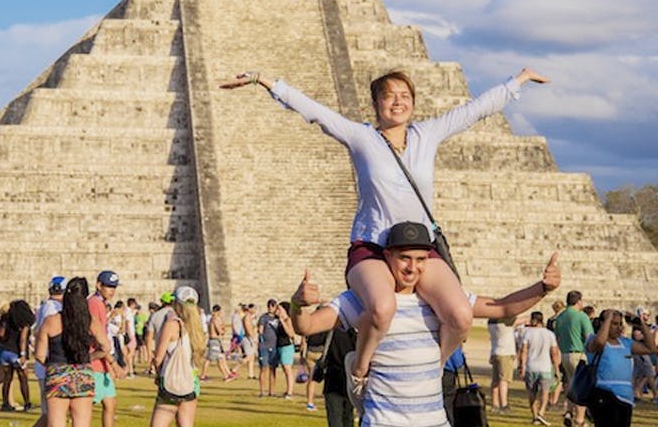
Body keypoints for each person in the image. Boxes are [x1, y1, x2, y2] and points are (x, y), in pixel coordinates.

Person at [222, 67, 550, 397]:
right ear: (376, 103)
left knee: (461, 316)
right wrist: (264, 80)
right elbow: (313, 110)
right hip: (373, 247)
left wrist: (518, 81)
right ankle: (360, 372)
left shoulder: (428, 134)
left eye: (405, 96)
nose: (398, 102)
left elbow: (475, 110)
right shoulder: (361, 137)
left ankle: (431, 369)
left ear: (414, 103)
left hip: (420, 247)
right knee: (381, 308)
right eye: (389, 95)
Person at [290, 221, 561, 425]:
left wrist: (543, 288)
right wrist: (298, 305)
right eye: (404, 258)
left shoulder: (440, 302)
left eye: (420, 259)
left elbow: (501, 307)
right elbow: (307, 326)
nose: (412, 268)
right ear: (387, 257)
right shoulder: (366, 301)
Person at [34, 277, 114, 427]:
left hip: (58, 372)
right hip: (82, 372)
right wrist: (89, 357)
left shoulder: (51, 321)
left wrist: (51, 365)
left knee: (56, 423)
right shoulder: (90, 321)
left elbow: (39, 354)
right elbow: (105, 348)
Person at [586, 309, 657, 427]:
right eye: (614, 324)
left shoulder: (625, 342)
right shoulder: (593, 340)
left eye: (620, 324)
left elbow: (651, 348)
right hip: (604, 395)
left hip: (625, 397)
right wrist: (608, 319)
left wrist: (640, 324)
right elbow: (599, 342)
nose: (619, 328)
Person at [149, 286, 206, 427]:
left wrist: (156, 371)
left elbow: (159, 357)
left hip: (172, 380)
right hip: (191, 380)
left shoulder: (172, 324)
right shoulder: (197, 327)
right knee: (186, 423)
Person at [88, 271, 125, 427]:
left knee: (110, 404)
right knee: (87, 407)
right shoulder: (94, 303)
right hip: (95, 361)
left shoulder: (100, 304)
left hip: (102, 362)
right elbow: (98, 337)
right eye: (109, 286)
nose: (112, 290)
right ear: (98, 285)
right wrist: (114, 364)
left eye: (114, 287)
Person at [553, 290, 594, 427]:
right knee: (581, 387)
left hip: (565, 353)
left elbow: (557, 336)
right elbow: (589, 337)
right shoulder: (581, 316)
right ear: (579, 301)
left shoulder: (561, 316)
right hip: (579, 353)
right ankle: (579, 420)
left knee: (571, 385)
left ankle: (569, 411)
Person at [31, 276, 66, 427]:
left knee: (51, 414)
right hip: (49, 363)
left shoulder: (46, 306)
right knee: (51, 415)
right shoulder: (54, 309)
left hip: (47, 364)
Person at [519, 311, 560, 426]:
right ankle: (541, 412)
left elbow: (524, 351)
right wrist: (556, 368)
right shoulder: (550, 334)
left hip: (531, 367)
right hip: (545, 367)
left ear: (534, 320)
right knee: (545, 392)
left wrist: (522, 365)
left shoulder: (527, 333)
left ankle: (535, 415)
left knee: (532, 393)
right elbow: (554, 353)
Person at [322, 328, 356, 427]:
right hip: (349, 378)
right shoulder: (355, 333)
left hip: (333, 378)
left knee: (335, 416)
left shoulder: (332, 332)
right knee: (348, 416)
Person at [200, 305, 237, 382]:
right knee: (209, 359)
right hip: (214, 341)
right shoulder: (215, 319)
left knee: (221, 358)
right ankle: (203, 376)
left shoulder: (211, 319)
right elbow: (219, 331)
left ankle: (226, 375)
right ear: (218, 311)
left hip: (216, 341)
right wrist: (223, 330)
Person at [487, 316, 516, 414]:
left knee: (495, 381)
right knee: (504, 380)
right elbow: (519, 320)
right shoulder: (505, 327)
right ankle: (504, 405)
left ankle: (495, 404)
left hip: (495, 352)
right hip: (505, 354)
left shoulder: (492, 325)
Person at [146, 292, 175, 375]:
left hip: (160, 350)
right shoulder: (178, 314)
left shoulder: (155, 315)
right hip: (175, 349)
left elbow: (149, 337)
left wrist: (149, 354)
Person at [257, 299, 280, 397]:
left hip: (274, 346)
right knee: (264, 368)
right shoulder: (264, 318)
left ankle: (272, 390)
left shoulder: (278, 318)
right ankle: (262, 391)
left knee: (273, 369)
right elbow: (260, 330)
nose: (270, 308)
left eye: (272, 306)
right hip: (264, 346)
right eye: (269, 306)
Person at [630, 325, 657, 402]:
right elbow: (637, 337)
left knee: (641, 374)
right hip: (641, 353)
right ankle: (655, 395)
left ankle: (636, 392)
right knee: (650, 374)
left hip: (642, 353)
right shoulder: (637, 328)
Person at [276, 301, 296, 398]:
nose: (278, 311)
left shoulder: (288, 320)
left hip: (287, 347)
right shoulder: (278, 320)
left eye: (280, 309)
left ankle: (290, 391)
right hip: (280, 346)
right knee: (284, 369)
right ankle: (287, 390)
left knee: (288, 369)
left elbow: (291, 334)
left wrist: (283, 321)